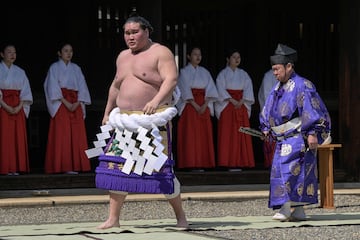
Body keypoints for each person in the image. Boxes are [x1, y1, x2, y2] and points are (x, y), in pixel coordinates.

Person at [95, 15, 188, 229]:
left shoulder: (160, 52)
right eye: (127, 33)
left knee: (161, 170)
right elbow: (116, 86)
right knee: (117, 168)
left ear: (147, 31)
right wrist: (107, 111)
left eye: (135, 32)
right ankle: (113, 219)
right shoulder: (122, 57)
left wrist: (155, 101)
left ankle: (181, 218)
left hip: (152, 122)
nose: (130, 37)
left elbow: (171, 79)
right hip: (124, 121)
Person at [259, 43, 331, 221]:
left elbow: (312, 110)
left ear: (289, 66)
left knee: (293, 172)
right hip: (282, 137)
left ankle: (291, 209)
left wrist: (313, 132)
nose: (275, 73)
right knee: (283, 171)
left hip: (299, 136)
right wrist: (266, 127)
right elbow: (269, 110)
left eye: (277, 69)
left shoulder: (303, 85)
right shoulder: (277, 88)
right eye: (273, 69)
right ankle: (294, 209)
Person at [43, 42, 92, 174]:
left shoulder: (76, 68)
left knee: (77, 135)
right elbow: (51, 87)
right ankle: (62, 166)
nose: (69, 53)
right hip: (61, 104)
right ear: (59, 53)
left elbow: (82, 87)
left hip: (75, 103)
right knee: (62, 134)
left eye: (70, 51)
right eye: (65, 51)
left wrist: (76, 103)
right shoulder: (54, 68)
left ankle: (77, 165)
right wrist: (65, 102)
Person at [176, 46, 219, 170]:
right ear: (189, 56)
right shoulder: (184, 72)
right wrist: (195, 105)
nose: (198, 57)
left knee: (202, 135)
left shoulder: (205, 72)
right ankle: (190, 163)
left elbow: (211, 89)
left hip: (203, 106)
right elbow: (184, 90)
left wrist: (205, 105)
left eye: (199, 54)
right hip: (190, 106)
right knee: (191, 135)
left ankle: (202, 163)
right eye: (195, 54)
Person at [214, 49, 255, 170]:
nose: (237, 59)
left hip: (240, 105)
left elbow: (248, 89)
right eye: (234, 57)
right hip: (228, 106)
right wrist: (232, 100)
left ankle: (241, 162)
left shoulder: (244, 74)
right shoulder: (222, 74)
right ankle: (228, 162)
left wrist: (242, 100)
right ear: (228, 59)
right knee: (228, 134)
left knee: (241, 134)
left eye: (238, 57)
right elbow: (220, 89)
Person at [0, 43, 33, 175]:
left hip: (17, 107)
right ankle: (4, 167)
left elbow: (25, 92)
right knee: (4, 137)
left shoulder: (20, 72)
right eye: (9, 52)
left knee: (16, 138)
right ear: (2, 54)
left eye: (14, 52)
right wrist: (5, 105)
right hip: (3, 107)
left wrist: (18, 107)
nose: (12, 55)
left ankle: (14, 168)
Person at [258, 69, 278, 168]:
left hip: (284, 112)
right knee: (271, 139)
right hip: (271, 111)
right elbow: (266, 96)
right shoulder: (268, 76)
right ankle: (271, 163)